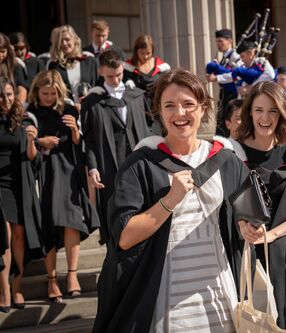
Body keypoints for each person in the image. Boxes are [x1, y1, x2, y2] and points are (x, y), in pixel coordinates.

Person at [92, 69, 250, 332]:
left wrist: (250, 225)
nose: (180, 114)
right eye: (170, 106)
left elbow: (250, 212)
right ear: (159, 112)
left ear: (203, 108)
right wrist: (170, 200)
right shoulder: (141, 163)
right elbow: (124, 237)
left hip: (218, 287)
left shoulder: (226, 159)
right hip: (168, 289)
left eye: (189, 104)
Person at [231, 81, 286, 333]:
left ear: (282, 113)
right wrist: (242, 223)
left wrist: (274, 234)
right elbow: (226, 201)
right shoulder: (234, 153)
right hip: (245, 252)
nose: (265, 118)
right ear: (249, 112)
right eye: (259, 110)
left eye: (272, 111)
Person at [27, 70, 100, 303]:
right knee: (48, 226)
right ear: (37, 91)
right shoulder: (31, 114)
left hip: (69, 171)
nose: (49, 97)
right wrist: (40, 141)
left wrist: (75, 132)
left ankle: (72, 275)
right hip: (45, 173)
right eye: (45, 93)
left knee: (72, 223)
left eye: (53, 93)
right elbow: (22, 145)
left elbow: (79, 144)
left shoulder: (68, 110)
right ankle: (51, 280)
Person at [81, 50, 151, 244]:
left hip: (137, 163)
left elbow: (150, 126)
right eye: (110, 76)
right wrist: (93, 167)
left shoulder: (136, 96)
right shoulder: (92, 101)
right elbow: (89, 140)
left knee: (143, 206)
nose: (115, 79)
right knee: (115, 213)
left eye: (119, 74)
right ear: (101, 71)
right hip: (109, 165)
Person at [0, 77, 43, 312]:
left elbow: (32, 158)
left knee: (18, 234)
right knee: (4, 235)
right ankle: (5, 290)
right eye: (1, 96)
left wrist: (31, 141)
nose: (5, 100)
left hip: (18, 185)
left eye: (9, 94)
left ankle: (17, 285)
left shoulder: (22, 121)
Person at [47, 25, 98, 109]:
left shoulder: (90, 61)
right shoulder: (54, 65)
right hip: (65, 112)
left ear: (75, 40)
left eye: (67, 39)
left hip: (90, 109)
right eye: (61, 41)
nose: (64, 43)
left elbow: (98, 85)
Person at [207, 40, 275, 98]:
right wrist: (216, 78)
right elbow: (232, 75)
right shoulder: (243, 66)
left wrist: (251, 87)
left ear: (250, 53)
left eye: (242, 56)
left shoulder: (261, 61)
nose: (241, 60)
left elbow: (270, 75)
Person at [205, 28, 241, 136]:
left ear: (229, 41)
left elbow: (236, 75)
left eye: (221, 41)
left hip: (233, 94)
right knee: (222, 120)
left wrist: (216, 78)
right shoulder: (224, 57)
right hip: (224, 94)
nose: (218, 44)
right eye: (217, 42)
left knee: (227, 120)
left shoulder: (235, 56)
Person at [123, 34, 170, 109]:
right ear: (136, 51)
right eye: (142, 53)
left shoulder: (162, 68)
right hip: (137, 107)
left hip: (157, 107)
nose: (145, 57)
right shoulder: (127, 68)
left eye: (148, 53)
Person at [0, 33, 28, 103]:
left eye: (3, 52)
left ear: (8, 51)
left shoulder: (15, 66)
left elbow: (21, 90)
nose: (0, 55)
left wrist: (17, 109)